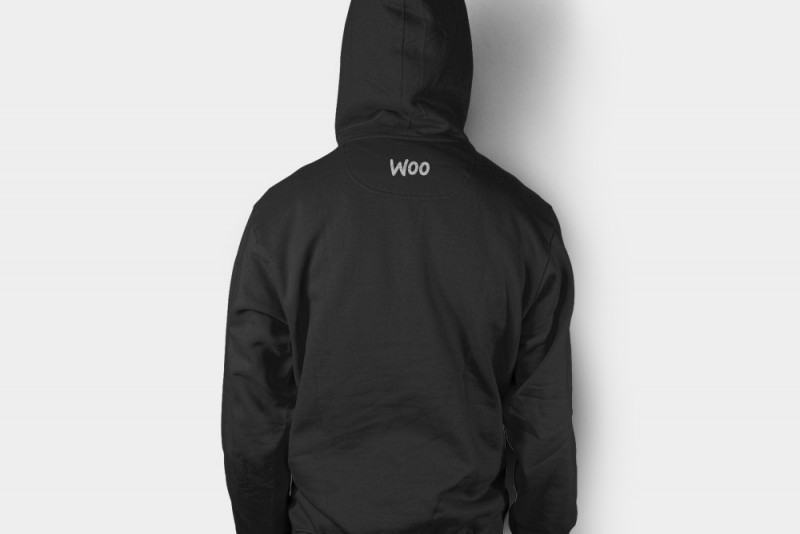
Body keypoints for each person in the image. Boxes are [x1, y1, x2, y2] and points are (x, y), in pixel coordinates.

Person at [221, 1, 578, 533]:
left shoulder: (281, 218)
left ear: (356, 55)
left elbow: (254, 417)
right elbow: (543, 425)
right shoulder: (525, 223)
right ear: (456, 56)